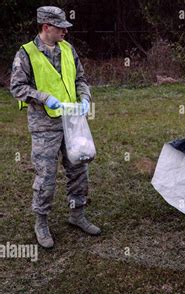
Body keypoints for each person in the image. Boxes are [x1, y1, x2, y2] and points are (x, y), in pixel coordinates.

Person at [10, 6, 100, 249]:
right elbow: (17, 88)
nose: (65, 31)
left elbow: (81, 79)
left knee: (79, 170)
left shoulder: (68, 50)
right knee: (46, 177)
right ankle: (41, 222)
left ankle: (77, 214)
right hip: (44, 126)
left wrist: (84, 99)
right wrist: (43, 97)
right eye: (60, 27)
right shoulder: (26, 54)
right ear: (46, 27)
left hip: (73, 122)